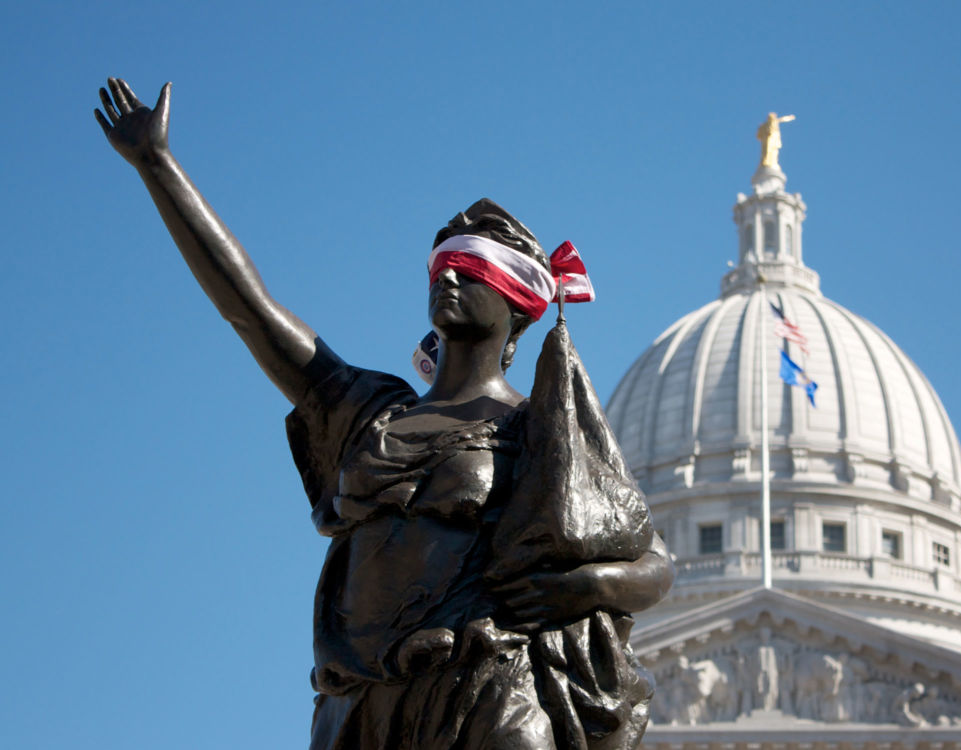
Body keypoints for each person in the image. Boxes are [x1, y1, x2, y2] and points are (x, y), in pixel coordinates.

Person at [95, 78, 673, 750]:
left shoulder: (542, 430)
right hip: (362, 700)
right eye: (440, 268)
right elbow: (249, 310)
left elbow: (652, 563)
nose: (447, 279)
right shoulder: (370, 415)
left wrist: (589, 586)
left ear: (517, 301)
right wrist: (158, 166)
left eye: (470, 269)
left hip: (489, 689)